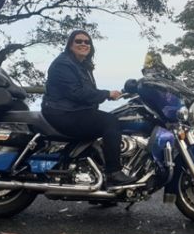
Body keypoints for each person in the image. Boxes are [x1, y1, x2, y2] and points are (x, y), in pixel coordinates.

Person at [41, 30, 136, 186]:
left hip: (73, 111)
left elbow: (86, 94)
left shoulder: (82, 66)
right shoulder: (63, 64)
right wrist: (107, 94)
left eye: (87, 42)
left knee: (110, 119)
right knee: (110, 122)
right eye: (78, 41)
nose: (83, 44)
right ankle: (113, 172)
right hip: (62, 113)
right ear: (70, 45)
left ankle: (101, 184)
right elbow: (76, 93)